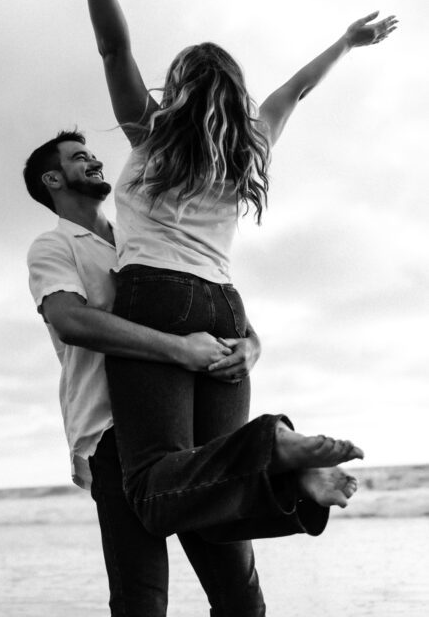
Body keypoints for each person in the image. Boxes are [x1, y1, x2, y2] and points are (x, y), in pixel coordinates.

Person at [70, 0, 397, 610]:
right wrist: (345, 40)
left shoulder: (150, 135)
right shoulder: (251, 142)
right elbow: (295, 90)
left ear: (180, 88)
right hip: (225, 308)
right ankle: (281, 474)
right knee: (211, 503)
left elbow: (110, 49)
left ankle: (272, 457)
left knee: (153, 482)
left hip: (157, 297)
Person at [24, 132, 357, 617]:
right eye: (79, 158)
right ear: (52, 179)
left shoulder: (140, 233)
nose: (95, 160)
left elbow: (198, 287)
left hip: (193, 427)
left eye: (92, 153)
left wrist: (252, 342)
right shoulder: (54, 246)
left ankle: (283, 472)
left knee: (240, 595)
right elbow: (69, 320)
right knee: (143, 600)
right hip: (114, 432)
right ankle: (277, 463)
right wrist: (179, 350)